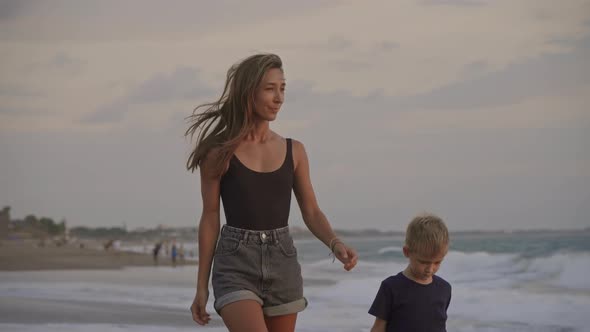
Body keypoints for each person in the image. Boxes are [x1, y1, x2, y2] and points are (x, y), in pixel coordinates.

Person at [186, 53, 358, 332]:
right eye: (270, 89)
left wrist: (335, 243)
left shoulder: (295, 151)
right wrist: (201, 287)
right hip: (235, 263)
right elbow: (209, 217)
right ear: (247, 92)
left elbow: (311, 211)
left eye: (282, 88)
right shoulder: (218, 152)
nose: (279, 98)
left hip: (283, 263)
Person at [368, 213, 451, 332]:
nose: (430, 269)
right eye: (423, 262)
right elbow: (378, 328)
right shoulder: (391, 287)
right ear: (407, 252)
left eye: (437, 262)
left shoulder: (444, 288)